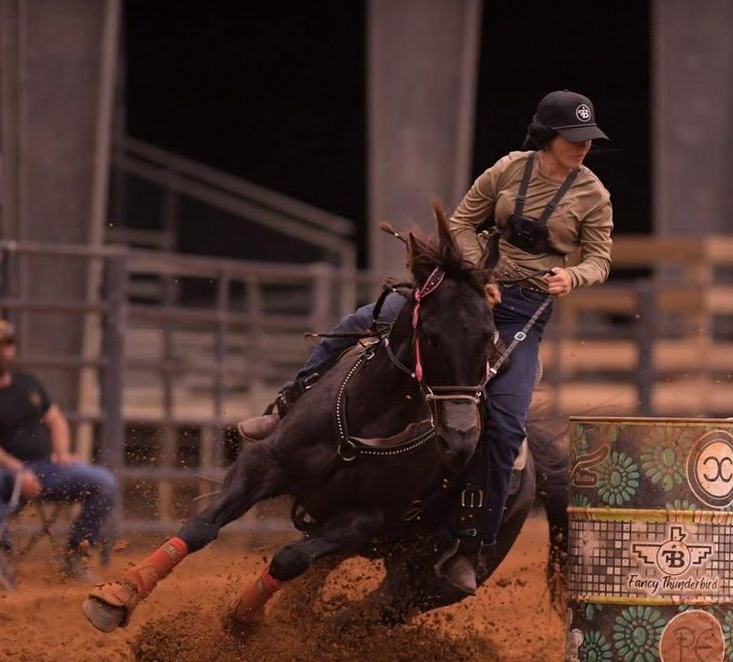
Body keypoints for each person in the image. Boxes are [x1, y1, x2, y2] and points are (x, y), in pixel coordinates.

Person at [240, 89, 613, 594]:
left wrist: (575, 276)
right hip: (470, 294)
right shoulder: (507, 170)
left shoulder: (594, 195)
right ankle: (285, 404)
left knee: (504, 428)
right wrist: (477, 273)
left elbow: (600, 258)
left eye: (588, 140)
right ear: (548, 136)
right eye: (574, 139)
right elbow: (461, 223)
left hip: (525, 310)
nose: (583, 148)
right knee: (357, 321)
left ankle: (469, 544)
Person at [0, 319, 120, 580]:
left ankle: (77, 553)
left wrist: (63, 451)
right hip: (4, 474)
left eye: (8, 345)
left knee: (104, 481)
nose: (3, 352)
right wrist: (17, 469)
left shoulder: (28, 383)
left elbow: (55, 419)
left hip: (45, 469)